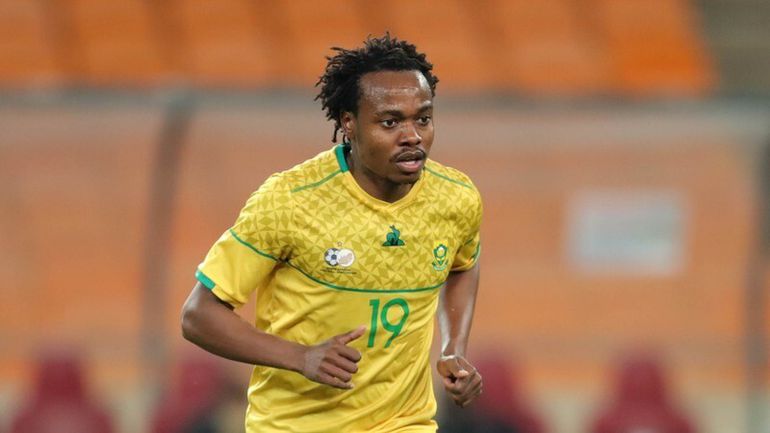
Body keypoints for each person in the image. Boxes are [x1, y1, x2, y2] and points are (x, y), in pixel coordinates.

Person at [181, 33, 483, 432]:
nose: (412, 135)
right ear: (348, 123)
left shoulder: (456, 198)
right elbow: (199, 315)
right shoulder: (291, 201)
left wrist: (452, 348)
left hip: (404, 423)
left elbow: (463, 264)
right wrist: (301, 357)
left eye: (423, 119)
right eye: (390, 122)